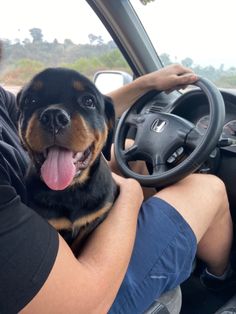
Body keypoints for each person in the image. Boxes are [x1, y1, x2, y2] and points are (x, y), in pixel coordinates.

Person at [0, 39, 234, 313]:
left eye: (87, 99)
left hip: (40, 245)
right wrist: (131, 194)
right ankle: (220, 284)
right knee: (208, 189)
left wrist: (147, 83)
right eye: (35, 101)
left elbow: (90, 109)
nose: (55, 117)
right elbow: (83, 305)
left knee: (129, 154)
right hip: (79, 299)